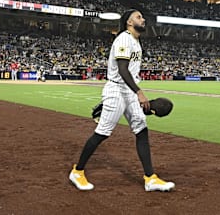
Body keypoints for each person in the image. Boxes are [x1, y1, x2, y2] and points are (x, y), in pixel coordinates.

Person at [69, 10, 175, 192]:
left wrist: (145, 105)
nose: (143, 19)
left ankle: (150, 178)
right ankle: (77, 172)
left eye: (142, 17)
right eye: (138, 17)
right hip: (117, 89)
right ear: (128, 22)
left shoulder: (135, 41)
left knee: (141, 130)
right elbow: (122, 70)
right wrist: (139, 92)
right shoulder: (124, 39)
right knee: (102, 132)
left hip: (129, 91)